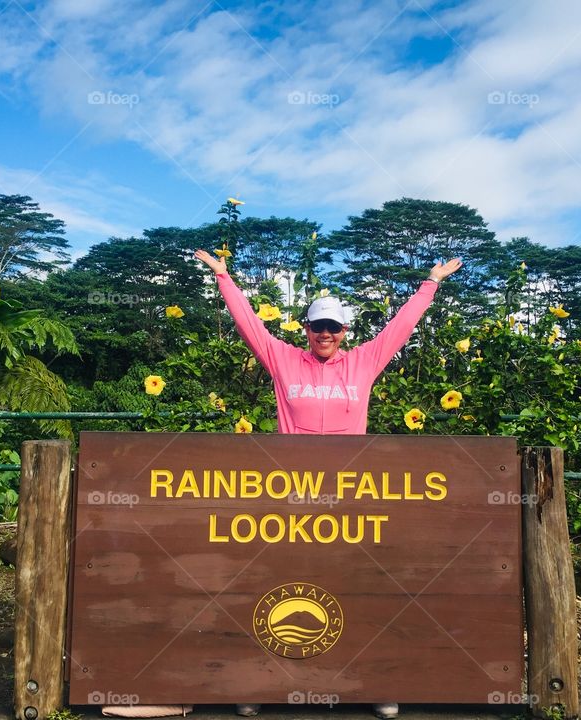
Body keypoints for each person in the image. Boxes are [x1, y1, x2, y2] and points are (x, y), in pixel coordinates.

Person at [195, 249, 463, 719]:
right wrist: (224, 278)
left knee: (359, 585)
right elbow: (251, 326)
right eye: (317, 327)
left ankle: (373, 682)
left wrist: (430, 284)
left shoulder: (363, 363)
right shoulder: (282, 360)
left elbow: (399, 329)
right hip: (291, 497)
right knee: (276, 583)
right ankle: (263, 681)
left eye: (333, 328)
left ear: (344, 333)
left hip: (349, 498)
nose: (325, 335)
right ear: (306, 331)